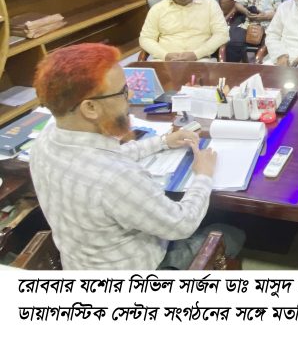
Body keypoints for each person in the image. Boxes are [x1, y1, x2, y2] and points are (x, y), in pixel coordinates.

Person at [30, 43, 245, 269]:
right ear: (90, 108)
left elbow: (109, 156)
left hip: (80, 263)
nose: (131, 95)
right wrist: (203, 175)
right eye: (123, 91)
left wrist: (162, 142)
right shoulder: (115, 178)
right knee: (232, 232)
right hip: (140, 266)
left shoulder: (47, 139)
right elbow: (182, 224)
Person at [140, 0, 228, 61]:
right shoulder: (157, 9)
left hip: (199, 59)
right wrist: (165, 55)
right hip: (165, 61)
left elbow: (222, 34)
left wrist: (196, 54)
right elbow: (145, 38)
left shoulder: (210, 4)